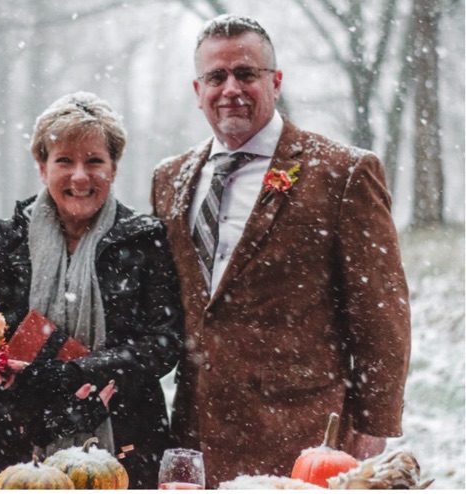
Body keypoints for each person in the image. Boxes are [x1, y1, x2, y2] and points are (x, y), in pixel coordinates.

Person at [150, 14, 411, 488]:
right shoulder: (169, 178)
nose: (231, 88)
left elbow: (380, 311)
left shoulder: (342, 173)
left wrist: (372, 428)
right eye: (216, 76)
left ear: (275, 81)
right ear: (197, 89)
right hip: (198, 438)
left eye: (246, 73)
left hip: (304, 438)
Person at [0, 91, 184, 489]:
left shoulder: (144, 239)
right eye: (64, 161)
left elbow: (163, 342)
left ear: (114, 167)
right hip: (22, 443)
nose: (80, 176)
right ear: (42, 167)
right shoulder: (11, 237)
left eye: (94, 161)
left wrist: (76, 374)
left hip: (126, 437)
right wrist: (55, 411)